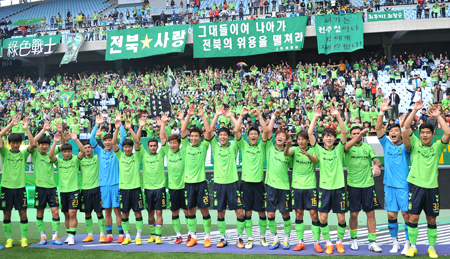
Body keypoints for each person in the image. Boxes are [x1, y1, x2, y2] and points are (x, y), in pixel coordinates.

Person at [403, 100, 449, 258]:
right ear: (419, 134)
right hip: (416, 186)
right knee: (413, 217)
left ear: (432, 134)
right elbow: (405, 127)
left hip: (432, 187)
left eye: (428, 132)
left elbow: (448, 133)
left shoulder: (437, 147)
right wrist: (415, 109)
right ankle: (413, 246)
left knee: (431, 218)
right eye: (422, 132)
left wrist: (438, 115)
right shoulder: (415, 144)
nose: (424, 135)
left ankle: (431, 247)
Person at [308, 106, 348, 255]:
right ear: (323, 138)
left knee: (342, 218)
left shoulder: (339, 149)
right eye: (326, 136)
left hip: (339, 188)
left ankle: (339, 242)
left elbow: (344, 132)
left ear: (334, 138)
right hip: (324, 189)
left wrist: (338, 115)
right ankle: (328, 243)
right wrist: (315, 117)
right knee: (323, 218)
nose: (329, 138)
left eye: (331, 136)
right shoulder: (318, 149)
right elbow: (310, 133)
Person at [376, 98, 411, 254]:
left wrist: (403, 126)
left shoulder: (406, 146)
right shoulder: (387, 144)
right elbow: (378, 129)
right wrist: (381, 112)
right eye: (391, 131)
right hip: (389, 185)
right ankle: (395, 242)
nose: (392, 132)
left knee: (406, 215)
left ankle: (408, 243)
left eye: (396, 130)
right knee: (391, 215)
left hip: (404, 185)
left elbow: (408, 136)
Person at [208, 106, 245, 248]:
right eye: (220, 135)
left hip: (233, 183)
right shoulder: (215, 146)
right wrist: (216, 115)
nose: (222, 137)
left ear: (228, 137)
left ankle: (240, 238)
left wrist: (230, 116)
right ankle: (223, 238)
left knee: (240, 212)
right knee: (220, 211)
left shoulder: (234, 146)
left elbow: (238, 130)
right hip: (219, 183)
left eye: (225, 135)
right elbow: (210, 130)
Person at [234, 107, 269, 249]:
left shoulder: (262, 146)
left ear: (258, 136)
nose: (253, 136)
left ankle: (262, 237)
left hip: (259, 184)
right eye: (251, 134)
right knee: (247, 212)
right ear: (248, 137)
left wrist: (260, 116)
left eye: (255, 134)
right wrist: (242, 115)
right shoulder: (243, 146)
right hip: (246, 184)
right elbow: (236, 131)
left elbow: (266, 131)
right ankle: (249, 238)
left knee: (261, 212)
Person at [344, 126, 383, 253]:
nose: (356, 135)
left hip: (368, 185)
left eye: (358, 133)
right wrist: (360, 134)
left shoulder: (368, 147)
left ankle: (372, 242)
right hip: (353, 185)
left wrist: (377, 165)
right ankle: (354, 239)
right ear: (350, 135)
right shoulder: (347, 148)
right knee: (354, 214)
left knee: (370, 214)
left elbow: (376, 159)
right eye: (354, 134)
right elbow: (346, 147)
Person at [89, 115, 127, 243]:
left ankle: (121, 234)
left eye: (110, 140)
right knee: (107, 212)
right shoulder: (99, 152)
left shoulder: (117, 151)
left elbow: (125, 137)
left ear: (112, 141)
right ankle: (109, 235)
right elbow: (91, 139)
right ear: (103, 142)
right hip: (103, 186)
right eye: (105, 141)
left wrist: (119, 124)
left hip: (116, 185)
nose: (107, 142)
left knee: (117, 210)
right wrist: (96, 124)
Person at [0, 116, 36, 248]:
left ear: (20, 143)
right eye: (13, 142)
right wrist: (10, 125)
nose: (15, 145)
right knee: (6, 213)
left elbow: (32, 144)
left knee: (23, 213)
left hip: (20, 188)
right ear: (9, 143)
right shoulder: (4, 152)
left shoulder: (23, 154)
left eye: (17, 143)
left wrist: (26, 129)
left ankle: (24, 238)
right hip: (6, 188)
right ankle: (9, 239)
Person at [284, 131, 321, 252]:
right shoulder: (294, 150)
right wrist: (287, 146)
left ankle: (316, 242)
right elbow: (286, 154)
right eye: (298, 139)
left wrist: (308, 155)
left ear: (307, 140)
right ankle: (300, 242)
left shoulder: (312, 150)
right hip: (296, 186)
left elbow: (316, 161)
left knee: (314, 215)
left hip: (310, 186)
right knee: (299, 214)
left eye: (303, 139)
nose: (300, 141)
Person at [182, 104, 213, 248]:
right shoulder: (186, 146)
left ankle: (207, 237)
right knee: (190, 210)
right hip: (188, 184)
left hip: (201, 183)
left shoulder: (203, 146)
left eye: (196, 136)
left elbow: (209, 131)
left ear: (199, 137)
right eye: (192, 136)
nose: (194, 138)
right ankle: (193, 236)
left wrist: (202, 116)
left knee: (204, 210)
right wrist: (188, 115)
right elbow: (183, 130)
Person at [49, 130, 85, 245]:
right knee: (66, 214)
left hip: (74, 191)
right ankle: (68, 234)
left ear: (71, 152)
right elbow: (50, 155)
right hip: (63, 191)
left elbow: (83, 151)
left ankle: (72, 236)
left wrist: (75, 139)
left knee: (72, 213)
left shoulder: (75, 159)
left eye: (69, 151)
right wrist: (56, 143)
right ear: (62, 152)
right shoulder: (58, 161)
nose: (67, 153)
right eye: (65, 151)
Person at [112, 116, 144, 245]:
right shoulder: (120, 156)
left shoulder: (137, 155)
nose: (127, 149)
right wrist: (117, 129)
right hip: (124, 190)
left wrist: (130, 129)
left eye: (128, 147)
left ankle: (138, 236)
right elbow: (114, 143)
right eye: (125, 147)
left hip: (135, 188)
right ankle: (127, 236)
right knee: (124, 214)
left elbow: (137, 142)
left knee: (137, 213)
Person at [264, 109, 293, 250]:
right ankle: (275, 239)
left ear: (286, 139)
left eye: (283, 136)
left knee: (285, 213)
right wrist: (274, 116)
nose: (280, 137)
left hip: (284, 187)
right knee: (270, 214)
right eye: (278, 135)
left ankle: (286, 239)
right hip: (270, 186)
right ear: (275, 138)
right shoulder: (269, 147)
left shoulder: (289, 152)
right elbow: (268, 131)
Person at [32, 121, 64, 246]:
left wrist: (60, 133)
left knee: (55, 212)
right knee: (39, 213)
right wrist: (44, 130)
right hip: (40, 188)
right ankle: (42, 236)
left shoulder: (52, 153)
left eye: (46, 144)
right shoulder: (35, 153)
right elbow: (32, 142)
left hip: (52, 188)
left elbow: (62, 145)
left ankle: (55, 236)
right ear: (39, 145)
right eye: (42, 145)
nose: (45, 147)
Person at [160, 113, 189, 244]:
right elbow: (162, 136)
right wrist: (162, 123)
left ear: (178, 144)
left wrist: (182, 120)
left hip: (184, 187)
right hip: (173, 188)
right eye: (170, 143)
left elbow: (183, 133)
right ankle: (178, 235)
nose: (172, 145)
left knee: (187, 211)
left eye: (174, 143)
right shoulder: (167, 151)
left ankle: (190, 233)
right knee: (174, 212)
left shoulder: (183, 151)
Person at [140, 116, 166, 244]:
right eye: (150, 146)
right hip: (148, 189)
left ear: (157, 146)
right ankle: (152, 234)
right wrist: (139, 126)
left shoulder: (161, 154)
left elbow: (163, 138)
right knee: (150, 214)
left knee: (159, 212)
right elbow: (137, 141)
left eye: (155, 146)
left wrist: (162, 124)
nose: (153, 147)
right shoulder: (144, 154)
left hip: (160, 188)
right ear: (148, 147)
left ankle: (159, 235)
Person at [80, 141, 107, 243]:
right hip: (85, 190)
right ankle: (90, 235)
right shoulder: (80, 161)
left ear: (92, 149)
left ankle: (102, 234)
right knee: (87, 213)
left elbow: (104, 150)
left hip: (97, 189)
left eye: (89, 147)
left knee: (99, 212)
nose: (87, 149)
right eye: (85, 148)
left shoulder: (97, 158)